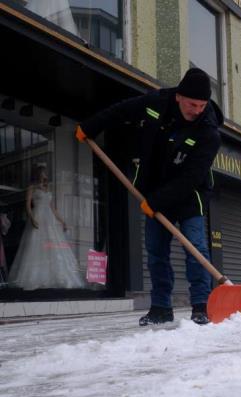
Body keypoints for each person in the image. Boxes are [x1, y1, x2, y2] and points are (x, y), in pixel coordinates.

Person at [76, 68, 222, 326]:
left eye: (202, 105)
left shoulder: (209, 132)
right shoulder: (157, 102)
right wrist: (91, 126)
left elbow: (190, 178)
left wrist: (156, 202)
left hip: (190, 194)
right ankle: (161, 307)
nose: (197, 110)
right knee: (156, 252)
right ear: (179, 96)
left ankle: (201, 305)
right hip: (154, 189)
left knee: (196, 249)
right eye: (192, 104)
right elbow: (121, 110)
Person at [8, 164, 85, 290]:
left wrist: (62, 221)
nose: (44, 175)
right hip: (38, 216)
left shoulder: (47, 189)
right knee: (35, 246)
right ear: (38, 174)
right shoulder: (31, 188)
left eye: (45, 173)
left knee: (53, 246)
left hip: (49, 220)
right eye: (42, 172)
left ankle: (55, 278)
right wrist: (32, 218)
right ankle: (35, 278)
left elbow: (53, 209)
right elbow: (28, 205)